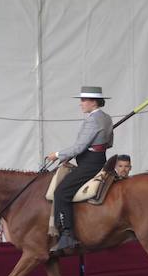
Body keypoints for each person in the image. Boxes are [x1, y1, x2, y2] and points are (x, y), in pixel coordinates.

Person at [46, 86, 114, 253]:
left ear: (93, 102)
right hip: (100, 159)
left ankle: (67, 234)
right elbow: (109, 143)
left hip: (89, 164)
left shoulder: (92, 120)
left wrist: (57, 154)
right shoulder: (106, 118)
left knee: (61, 192)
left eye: (83, 100)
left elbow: (78, 147)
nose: (81, 104)